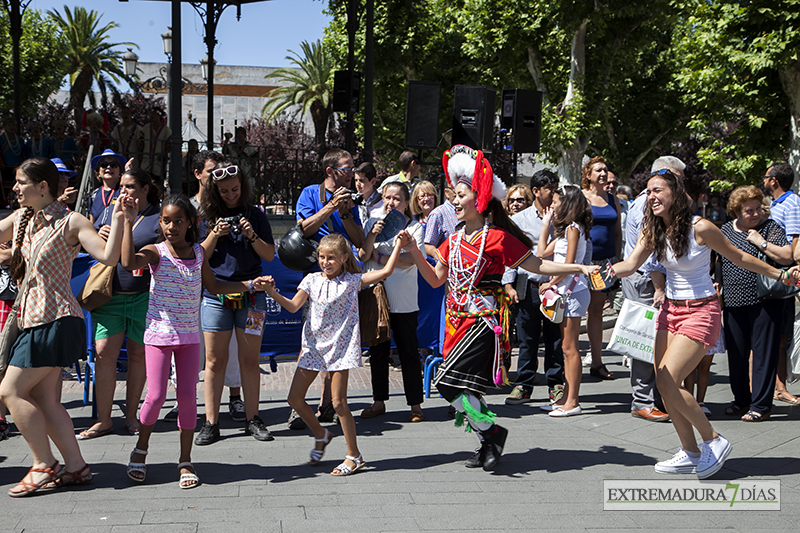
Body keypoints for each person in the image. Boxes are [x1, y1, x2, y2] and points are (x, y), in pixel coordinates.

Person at [406, 145, 598, 470]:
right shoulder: (451, 241)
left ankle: (492, 430)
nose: (454, 200)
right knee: (466, 389)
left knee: (446, 382)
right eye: (453, 194)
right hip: (455, 321)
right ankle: (487, 441)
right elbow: (437, 280)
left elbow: (538, 265)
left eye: (461, 194)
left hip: (483, 320)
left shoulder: (496, 237)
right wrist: (413, 250)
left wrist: (575, 268)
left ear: (478, 198)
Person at [611, 168, 799, 478]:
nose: (651, 196)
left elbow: (739, 256)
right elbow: (630, 265)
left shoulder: (701, 227)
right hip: (670, 311)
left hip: (701, 311)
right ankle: (690, 451)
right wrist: (591, 271)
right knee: (664, 384)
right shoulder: (652, 228)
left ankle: (713, 439)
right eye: (648, 191)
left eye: (657, 190)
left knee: (670, 379)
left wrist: (780, 273)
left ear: (675, 193)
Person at [120, 194, 272, 488]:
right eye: (166, 220)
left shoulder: (199, 254)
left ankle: (185, 460)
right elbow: (127, 263)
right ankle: (140, 450)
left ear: (191, 222)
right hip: (158, 338)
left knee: (188, 398)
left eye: (178, 221)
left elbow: (214, 286)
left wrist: (252, 284)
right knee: (155, 397)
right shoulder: (156, 251)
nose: (171, 227)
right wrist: (127, 222)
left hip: (189, 338)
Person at [0, 157, 126, 496]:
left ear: (43, 187)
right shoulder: (23, 218)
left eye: (21, 182)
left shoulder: (72, 222)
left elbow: (108, 257)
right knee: (44, 398)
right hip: (33, 319)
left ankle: (44, 464)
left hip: (55, 319)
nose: (15, 188)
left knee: (9, 391)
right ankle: (75, 467)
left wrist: (117, 221)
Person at [263, 231, 410, 475]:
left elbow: (385, 273)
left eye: (331, 257)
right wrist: (270, 291)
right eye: (321, 257)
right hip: (313, 348)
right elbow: (292, 306)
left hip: (340, 348)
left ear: (343, 258)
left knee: (340, 403)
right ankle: (321, 434)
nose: (325, 262)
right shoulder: (310, 280)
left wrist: (398, 244)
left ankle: (354, 455)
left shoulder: (352, 281)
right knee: (294, 399)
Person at [76, 169, 161, 439]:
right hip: (109, 296)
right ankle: (103, 419)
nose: (124, 192)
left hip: (144, 297)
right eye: (122, 187)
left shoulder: (157, 218)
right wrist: (100, 231)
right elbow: (91, 241)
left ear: (146, 188)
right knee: (103, 354)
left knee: (138, 356)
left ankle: (131, 416)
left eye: (130, 187)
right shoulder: (111, 211)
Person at [195, 162, 275, 446]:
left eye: (235, 189)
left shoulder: (257, 215)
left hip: (252, 295)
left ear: (244, 187)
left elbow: (268, 254)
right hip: (216, 297)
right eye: (224, 191)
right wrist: (215, 234)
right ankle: (211, 422)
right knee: (214, 361)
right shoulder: (206, 217)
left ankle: (253, 418)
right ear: (215, 191)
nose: (231, 195)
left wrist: (251, 234)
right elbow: (197, 258)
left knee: (250, 360)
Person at [295, 148, 364, 423]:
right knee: (310, 338)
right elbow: (304, 228)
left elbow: (358, 240)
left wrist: (347, 214)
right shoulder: (310, 193)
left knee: (336, 343)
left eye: (352, 168)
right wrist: (332, 206)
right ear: (330, 171)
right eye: (347, 169)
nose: (351, 174)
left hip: (343, 282)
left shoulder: (352, 201)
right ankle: (298, 404)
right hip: (316, 279)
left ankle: (328, 404)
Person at [719, 185, 792, 421]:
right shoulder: (726, 230)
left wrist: (761, 242)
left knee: (764, 353)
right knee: (737, 354)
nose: (755, 214)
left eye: (757, 209)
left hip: (765, 298)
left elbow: (787, 255)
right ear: (736, 212)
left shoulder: (770, 228)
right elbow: (719, 260)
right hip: (733, 299)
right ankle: (741, 400)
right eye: (748, 210)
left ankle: (761, 405)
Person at [359, 182, 426, 422]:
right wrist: (373, 235)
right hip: (376, 299)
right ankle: (379, 401)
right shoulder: (372, 223)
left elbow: (412, 260)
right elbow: (363, 255)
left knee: (408, 351)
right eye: (387, 197)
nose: (391, 202)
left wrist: (382, 256)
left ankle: (415, 405)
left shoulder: (414, 227)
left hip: (404, 301)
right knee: (377, 352)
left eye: (397, 198)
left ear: (407, 202)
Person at [504, 170, 565, 406]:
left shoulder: (562, 216)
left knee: (554, 338)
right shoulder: (519, 220)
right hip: (527, 284)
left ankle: (556, 383)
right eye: (549, 187)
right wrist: (508, 284)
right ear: (536, 191)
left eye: (555, 186)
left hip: (555, 286)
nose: (554, 191)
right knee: (527, 338)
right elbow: (510, 254)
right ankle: (524, 385)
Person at [536, 185, 593, 417]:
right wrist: (545, 224)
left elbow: (569, 265)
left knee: (570, 348)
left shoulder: (573, 228)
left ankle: (573, 401)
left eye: (557, 200)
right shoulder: (564, 229)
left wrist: (550, 283)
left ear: (567, 203)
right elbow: (540, 253)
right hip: (564, 291)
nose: (553, 204)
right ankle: (566, 398)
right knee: (566, 347)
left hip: (572, 291)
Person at [581, 156, 621, 380]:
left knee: (596, 310)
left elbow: (617, 233)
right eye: (598, 170)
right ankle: (570, 360)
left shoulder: (612, 199)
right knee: (577, 310)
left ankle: (597, 362)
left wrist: (617, 261)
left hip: (605, 262)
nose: (603, 173)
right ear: (588, 175)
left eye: (605, 169)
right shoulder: (581, 197)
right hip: (584, 262)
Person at [763, 162, 800, 405]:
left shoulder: (792, 203)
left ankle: (780, 385)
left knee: (783, 334)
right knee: (770, 334)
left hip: (785, 274)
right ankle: (771, 386)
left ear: (774, 180)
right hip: (771, 271)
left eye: (765, 177)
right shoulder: (776, 204)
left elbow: (796, 241)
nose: (763, 181)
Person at [87, 149, 127, 224]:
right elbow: (92, 223)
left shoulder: (124, 192)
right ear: (98, 171)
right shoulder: (94, 196)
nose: (108, 167)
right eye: (103, 165)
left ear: (120, 171)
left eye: (113, 165)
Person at [140, 108, 171, 184]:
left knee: (157, 182)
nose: (151, 116)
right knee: (144, 181)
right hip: (146, 160)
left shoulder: (166, 130)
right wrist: (140, 153)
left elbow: (171, 144)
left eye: (154, 114)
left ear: (159, 115)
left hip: (158, 161)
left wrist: (164, 153)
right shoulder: (146, 127)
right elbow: (141, 141)